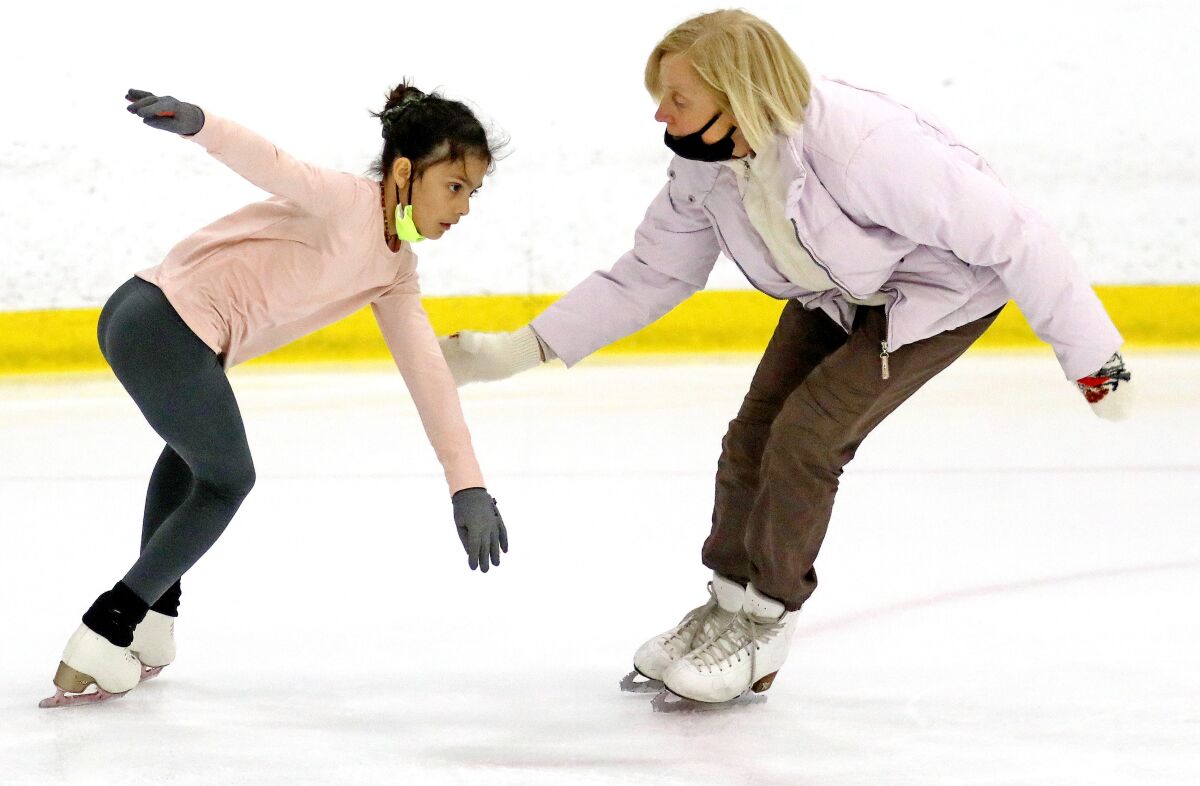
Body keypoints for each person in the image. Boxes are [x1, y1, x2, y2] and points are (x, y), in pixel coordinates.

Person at [437, 10, 1132, 705]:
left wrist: (1097, 362)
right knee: (751, 437)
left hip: (937, 297)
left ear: (736, 92)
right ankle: (729, 601)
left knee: (806, 438)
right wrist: (518, 351)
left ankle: (766, 621)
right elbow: (651, 274)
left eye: (677, 98)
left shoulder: (865, 146)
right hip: (835, 291)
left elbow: (1020, 237)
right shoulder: (705, 166)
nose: (660, 113)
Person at [40, 83, 511, 709]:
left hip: (152, 319)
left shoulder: (394, 270)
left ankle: (153, 620)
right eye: (455, 187)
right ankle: (107, 628)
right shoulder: (346, 202)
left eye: (473, 192)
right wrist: (198, 123)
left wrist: (466, 482)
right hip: (161, 324)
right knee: (228, 478)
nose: (465, 207)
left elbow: (427, 373)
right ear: (405, 171)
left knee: (189, 459)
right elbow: (270, 162)